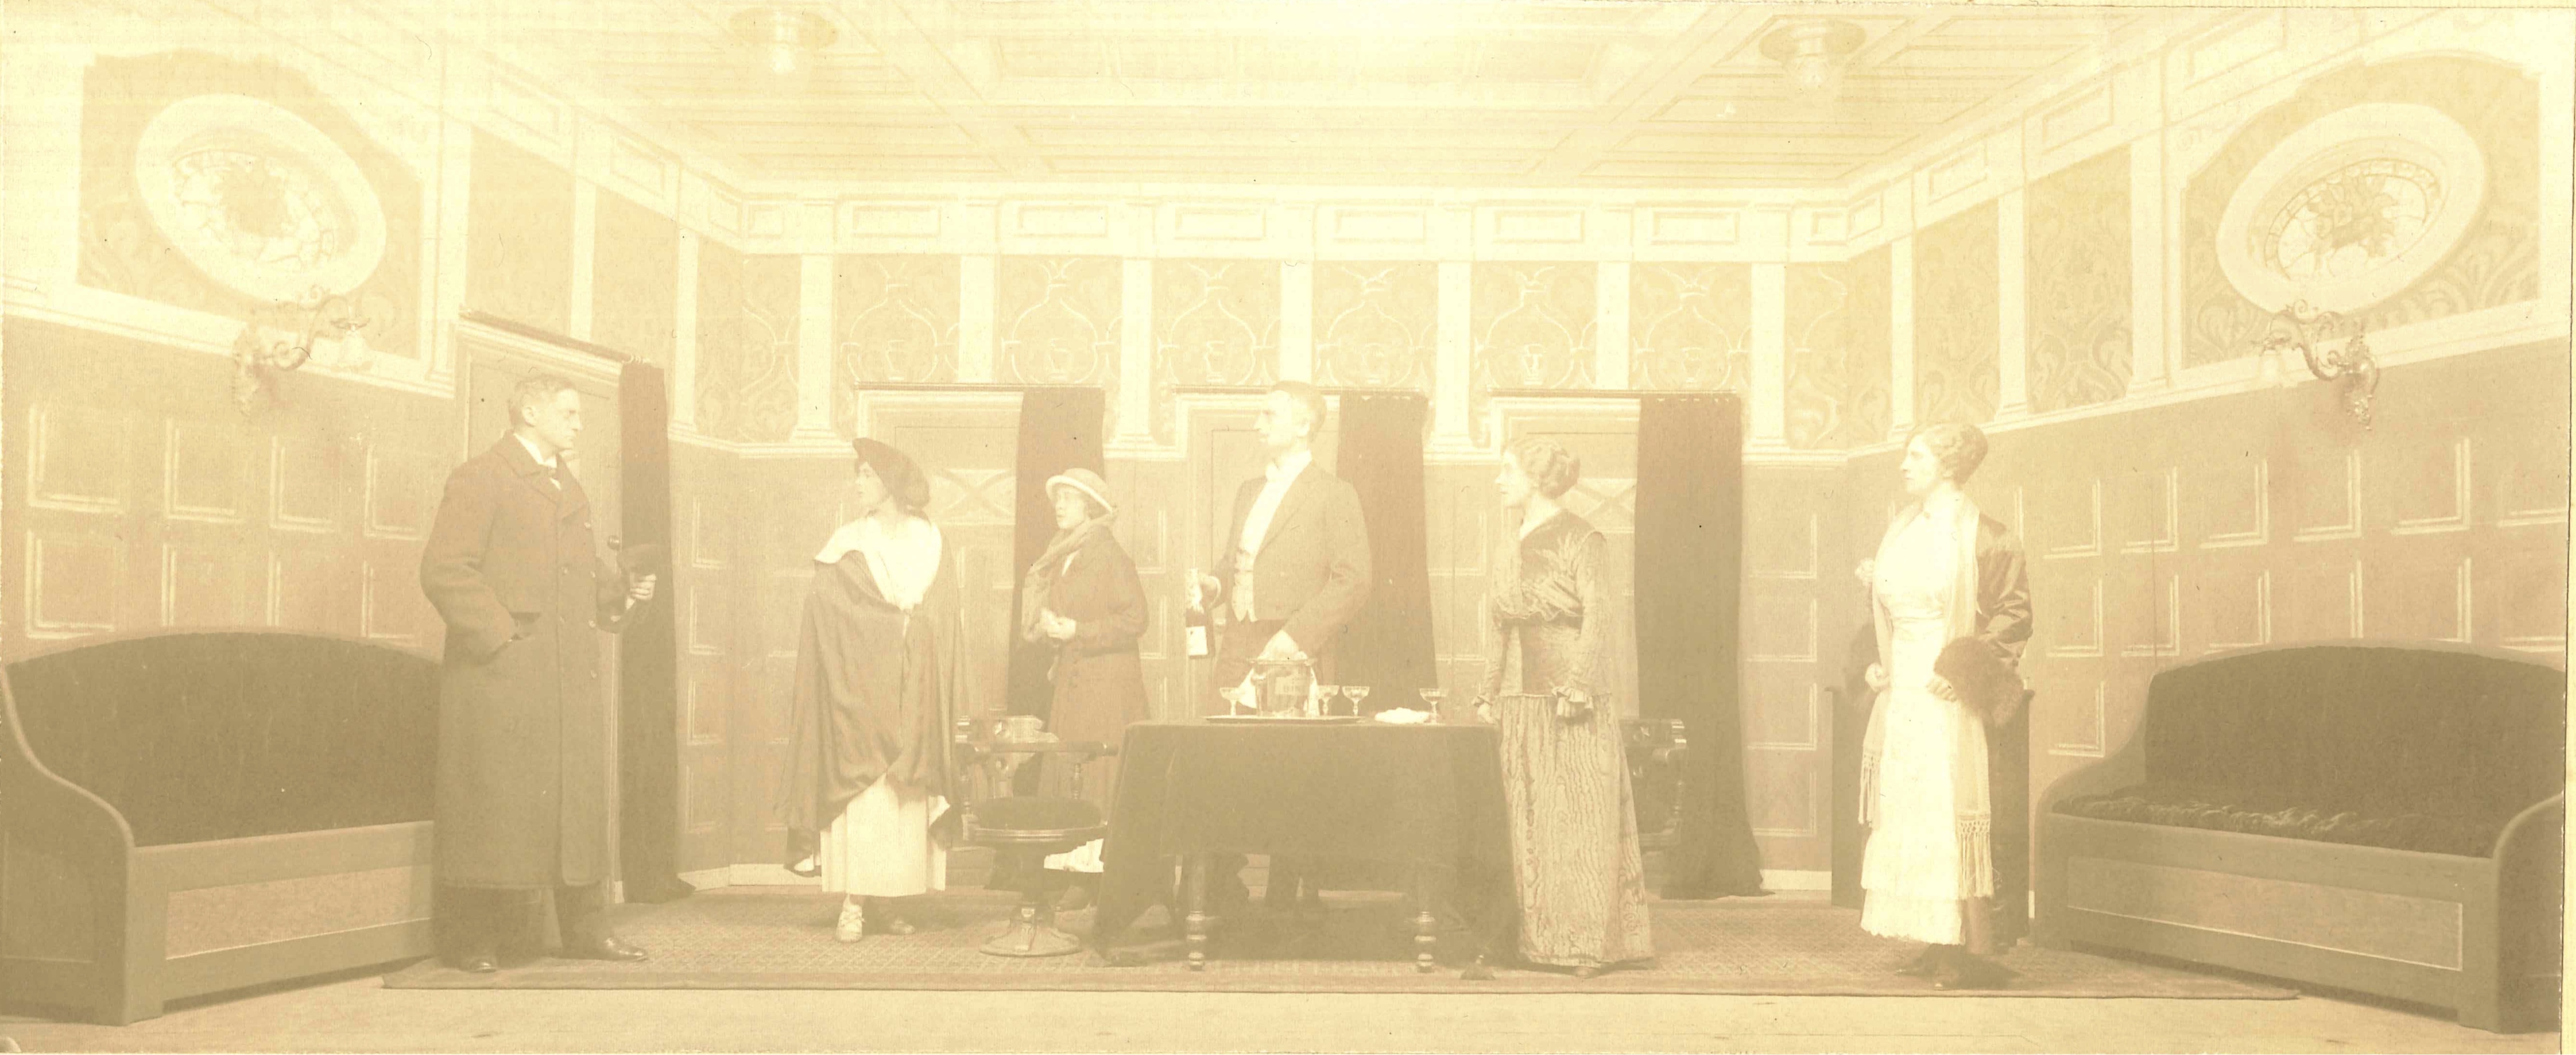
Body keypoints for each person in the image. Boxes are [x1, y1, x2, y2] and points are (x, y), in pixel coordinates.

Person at [420, 374, 656, 974]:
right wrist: (504, 638)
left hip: (568, 679)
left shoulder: (566, 485)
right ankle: (473, 939)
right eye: (569, 413)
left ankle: (585, 930)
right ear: (529, 411)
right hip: (502, 679)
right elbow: (444, 568)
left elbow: (579, 576)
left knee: (573, 803)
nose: (579, 424)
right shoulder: (482, 476)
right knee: (495, 806)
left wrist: (621, 592)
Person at [1468, 436, 1653, 979]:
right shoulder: (1509, 541)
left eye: (1507, 470)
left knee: (1576, 820)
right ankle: (1537, 941)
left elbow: (1599, 615)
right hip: (1519, 701)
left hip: (1568, 698)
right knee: (1529, 819)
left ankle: (1584, 945)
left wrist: (1578, 684)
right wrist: (1488, 690)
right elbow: (1499, 623)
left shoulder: (1581, 537)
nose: (1499, 480)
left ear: (1536, 478)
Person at [1858, 422, 2032, 990]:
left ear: (1949, 466)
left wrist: (1963, 675)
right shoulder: (1903, 529)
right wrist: (1875, 663)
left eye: (1916, 456)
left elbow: (2013, 615)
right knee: (1910, 810)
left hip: (1948, 695)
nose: (1904, 465)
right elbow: (1889, 610)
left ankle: (1964, 946)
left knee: (1944, 812)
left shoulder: (1988, 536)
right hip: (1904, 691)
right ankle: (1933, 937)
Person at [1192, 381, 1372, 917]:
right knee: (1220, 765)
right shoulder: (1249, 490)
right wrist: (1214, 587)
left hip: (1294, 648)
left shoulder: (1334, 494)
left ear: (1304, 425)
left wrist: (1294, 639)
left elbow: (1354, 580)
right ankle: (1219, 890)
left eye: (1269, 415)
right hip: (1239, 643)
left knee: (1291, 774)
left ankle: (1287, 898)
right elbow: (1235, 563)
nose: (1257, 424)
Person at [779, 439, 964, 943]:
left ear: (891, 482)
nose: (858, 482)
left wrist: (917, 633)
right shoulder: (849, 542)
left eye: (866, 474)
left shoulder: (931, 541)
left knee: (904, 798)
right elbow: (825, 610)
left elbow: (944, 612)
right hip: (861, 691)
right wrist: (890, 627)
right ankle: (854, 903)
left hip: (915, 685)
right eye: (857, 473)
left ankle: (887, 900)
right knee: (868, 798)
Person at [1018, 467, 1150, 909]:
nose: (1059, 505)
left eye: (1069, 499)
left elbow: (1136, 619)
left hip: (1106, 686)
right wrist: (1053, 626)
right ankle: (1074, 874)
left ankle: (1097, 881)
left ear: (1091, 507)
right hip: (1076, 681)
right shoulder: (1066, 552)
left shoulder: (1108, 553)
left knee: (1095, 778)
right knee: (1072, 774)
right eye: (1058, 498)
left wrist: (1078, 630)